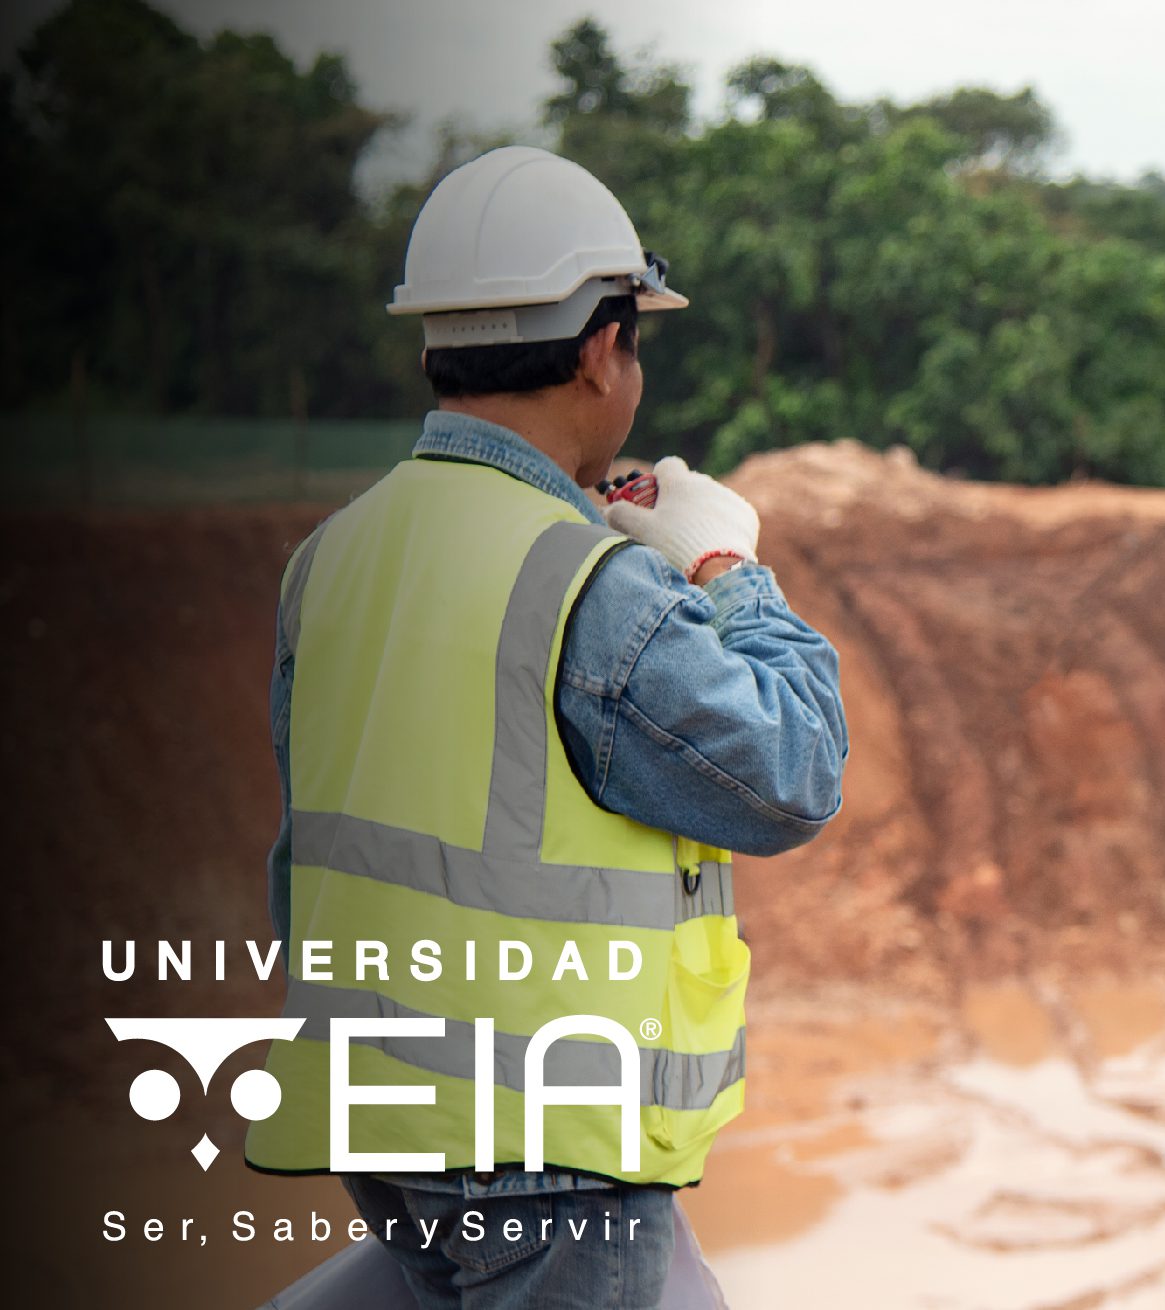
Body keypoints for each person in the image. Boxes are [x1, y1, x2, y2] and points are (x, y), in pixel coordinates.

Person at [241, 145, 848, 1309]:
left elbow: (312, 856)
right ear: (595, 348)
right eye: (633, 340)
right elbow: (791, 769)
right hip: (549, 1145)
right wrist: (725, 565)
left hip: (393, 1124)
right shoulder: (584, 578)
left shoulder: (334, 555)